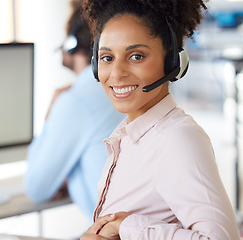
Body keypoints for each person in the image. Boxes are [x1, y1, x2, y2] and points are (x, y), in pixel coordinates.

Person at [79, 0, 241, 239]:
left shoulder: (177, 139)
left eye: (136, 56)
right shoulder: (128, 138)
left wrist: (127, 226)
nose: (117, 73)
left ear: (172, 62)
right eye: (107, 58)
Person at [24, 0, 125, 220]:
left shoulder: (76, 100)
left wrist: (50, 115)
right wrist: (73, 174)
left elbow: (36, 189)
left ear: (71, 43)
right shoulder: (124, 89)